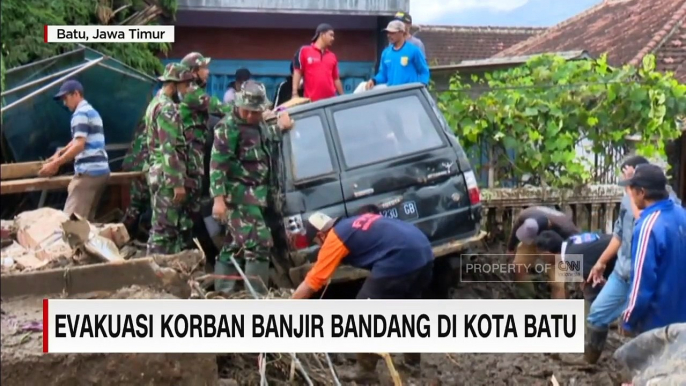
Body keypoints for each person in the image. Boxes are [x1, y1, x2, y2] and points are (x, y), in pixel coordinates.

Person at [292, 209, 434, 381]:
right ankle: (413, 365)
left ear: (321, 235)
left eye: (317, 242)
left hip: (400, 258)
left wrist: (289, 305)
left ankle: (365, 370)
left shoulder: (335, 237)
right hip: (424, 251)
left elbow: (312, 282)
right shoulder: (353, 224)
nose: (320, 246)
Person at [584, 156, 681, 364]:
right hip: (623, 272)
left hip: (651, 285)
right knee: (597, 313)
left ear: (641, 190)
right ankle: (589, 360)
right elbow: (619, 233)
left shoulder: (668, 205)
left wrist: (628, 320)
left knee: (655, 347)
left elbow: (646, 223)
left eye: (631, 185)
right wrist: (600, 262)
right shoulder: (632, 200)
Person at [210, 80, 294, 294]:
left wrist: (281, 127)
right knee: (259, 243)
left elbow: (264, 141)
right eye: (251, 111)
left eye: (257, 112)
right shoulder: (227, 128)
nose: (253, 115)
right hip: (240, 197)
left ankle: (223, 293)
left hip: (256, 196)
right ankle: (257, 296)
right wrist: (218, 201)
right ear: (243, 108)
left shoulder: (258, 123)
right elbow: (218, 165)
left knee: (235, 244)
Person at [618, 164, 686, 334]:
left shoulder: (648, 227)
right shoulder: (681, 214)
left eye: (632, 190)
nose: (630, 196)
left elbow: (642, 282)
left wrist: (628, 319)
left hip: (656, 324)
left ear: (641, 192)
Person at [179, 52, 233, 249]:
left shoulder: (190, 91)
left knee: (195, 210)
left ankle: (204, 252)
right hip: (190, 160)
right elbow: (218, 107)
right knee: (192, 211)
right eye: (204, 68)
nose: (208, 72)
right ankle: (200, 252)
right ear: (194, 72)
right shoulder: (193, 93)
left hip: (192, 158)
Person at [40, 79, 110, 220]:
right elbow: (77, 139)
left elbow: (79, 145)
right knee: (86, 224)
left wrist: (55, 164)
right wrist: (60, 153)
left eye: (66, 98)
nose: (65, 103)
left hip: (88, 174)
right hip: (101, 172)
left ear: (76, 94)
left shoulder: (80, 114)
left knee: (71, 224)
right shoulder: (91, 111)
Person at [145, 63, 195, 255]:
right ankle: (151, 273)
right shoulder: (167, 109)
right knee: (164, 230)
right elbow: (169, 147)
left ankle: (163, 271)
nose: (187, 90)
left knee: (165, 226)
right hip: (167, 176)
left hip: (158, 172)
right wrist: (177, 183)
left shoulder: (154, 104)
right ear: (174, 85)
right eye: (185, 85)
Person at [506, 206, 580, 299]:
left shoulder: (566, 228)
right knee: (518, 267)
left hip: (557, 247)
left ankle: (559, 309)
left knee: (558, 284)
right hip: (532, 240)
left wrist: (559, 257)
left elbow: (577, 247)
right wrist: (510, 248)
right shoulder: (525, 215)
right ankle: (527, 297)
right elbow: (516, 230)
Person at [535, 230, 616, 311]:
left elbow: (599, 279)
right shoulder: (570, 241)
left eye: (542, 256)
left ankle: (601, 317)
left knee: (591, 292)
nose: (543, 260)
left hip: (621, 257)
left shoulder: (571, 258)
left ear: (547, 254)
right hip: (618, 243)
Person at [365, 20, 430, 90]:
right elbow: (383, 75)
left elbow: (424, 71)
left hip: (410, 94)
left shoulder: (414, 50)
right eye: (388, 32)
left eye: (392, 32)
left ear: (401, 32)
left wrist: (422, 85)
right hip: (393, 94)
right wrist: (374, 80)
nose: (389, 35)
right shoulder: (386, 53)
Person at [293, 23, 344, 102]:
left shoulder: (332, 56)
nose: (333, 38)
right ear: (322, 34)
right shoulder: (304, 51)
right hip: (312, 102)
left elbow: (336, 79)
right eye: (331, 35)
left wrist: (342, 96)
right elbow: (297, 72)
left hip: (330, 101)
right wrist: (294, 94)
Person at [121, 119, 151, 236]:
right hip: (142, 165)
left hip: (134, 163)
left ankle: (130, 230)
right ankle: (127, 231)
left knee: (137, 202)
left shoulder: (144, 121)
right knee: (138, 202)